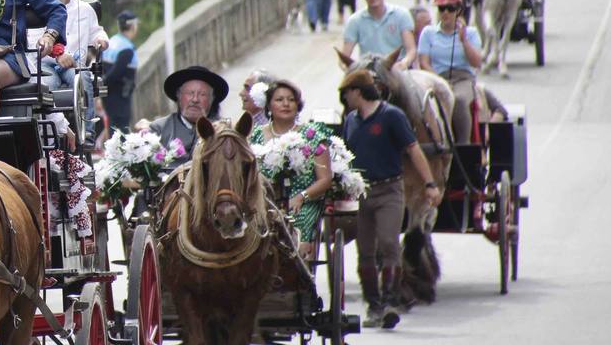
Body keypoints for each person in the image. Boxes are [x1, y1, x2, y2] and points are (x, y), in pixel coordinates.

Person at [338, 69, 443, 331]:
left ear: (357, 92)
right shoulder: (351, 120)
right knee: (365, 250)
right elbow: (346, 155)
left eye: (346, 93)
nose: (344, 99)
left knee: (388, 242)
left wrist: (430, 183)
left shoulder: (391, 116)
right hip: (363, 193)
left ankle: (390, 302)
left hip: (389, 191)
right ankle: (373, 304)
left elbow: (413, 149)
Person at [248, 80, 332, 260]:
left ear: (298, 105)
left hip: (301, 200)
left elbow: (325, 179)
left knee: (298, 220)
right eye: (279, 100)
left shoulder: (313, 135)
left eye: (291, 100)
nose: (286, 104)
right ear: (269, 105)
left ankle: (301, 261)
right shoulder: (255, 135)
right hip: (264, 200)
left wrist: (302, 196)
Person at [34, 0, 108, 143]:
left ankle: (88, 131)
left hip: (75, 64)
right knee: (46, 85)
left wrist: (101, 38)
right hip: (46, 64)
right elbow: (35, 39)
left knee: (83, 77)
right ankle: (46, 133)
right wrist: (57, 54)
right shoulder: (34, 11)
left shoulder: (84, 10)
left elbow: (95, 30)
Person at [417, 0, 482, 144]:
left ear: (458, 10)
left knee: (458, 100)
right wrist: (440, 81)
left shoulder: (471, 33)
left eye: (450, 9)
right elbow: (424, 62)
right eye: (441, 8)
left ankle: (462, 144)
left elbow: (476, 62)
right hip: (436, 78)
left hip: (462, 79)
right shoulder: (428, 32)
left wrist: (464, 40)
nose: (445, 13)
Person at [145, 66, 229, 173]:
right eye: (190, 93)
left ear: (212, 100)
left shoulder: (222, 130)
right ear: (179, 96)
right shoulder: (159, 129)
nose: (195, 99)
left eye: (202, 94)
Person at [340, 0, 417, 67]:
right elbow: (344, 57)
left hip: (397, 69)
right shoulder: (355, 21)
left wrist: (404, 63)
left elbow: (411, 50)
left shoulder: (401, 15)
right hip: (370, 71)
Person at [102, 11, 140, 134]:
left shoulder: (111, 42)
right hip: (120, 96)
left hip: (108, 95)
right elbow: (116, 72)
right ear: (133, 26)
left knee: (112, 128)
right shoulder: (126, 48)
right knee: (121, 132)